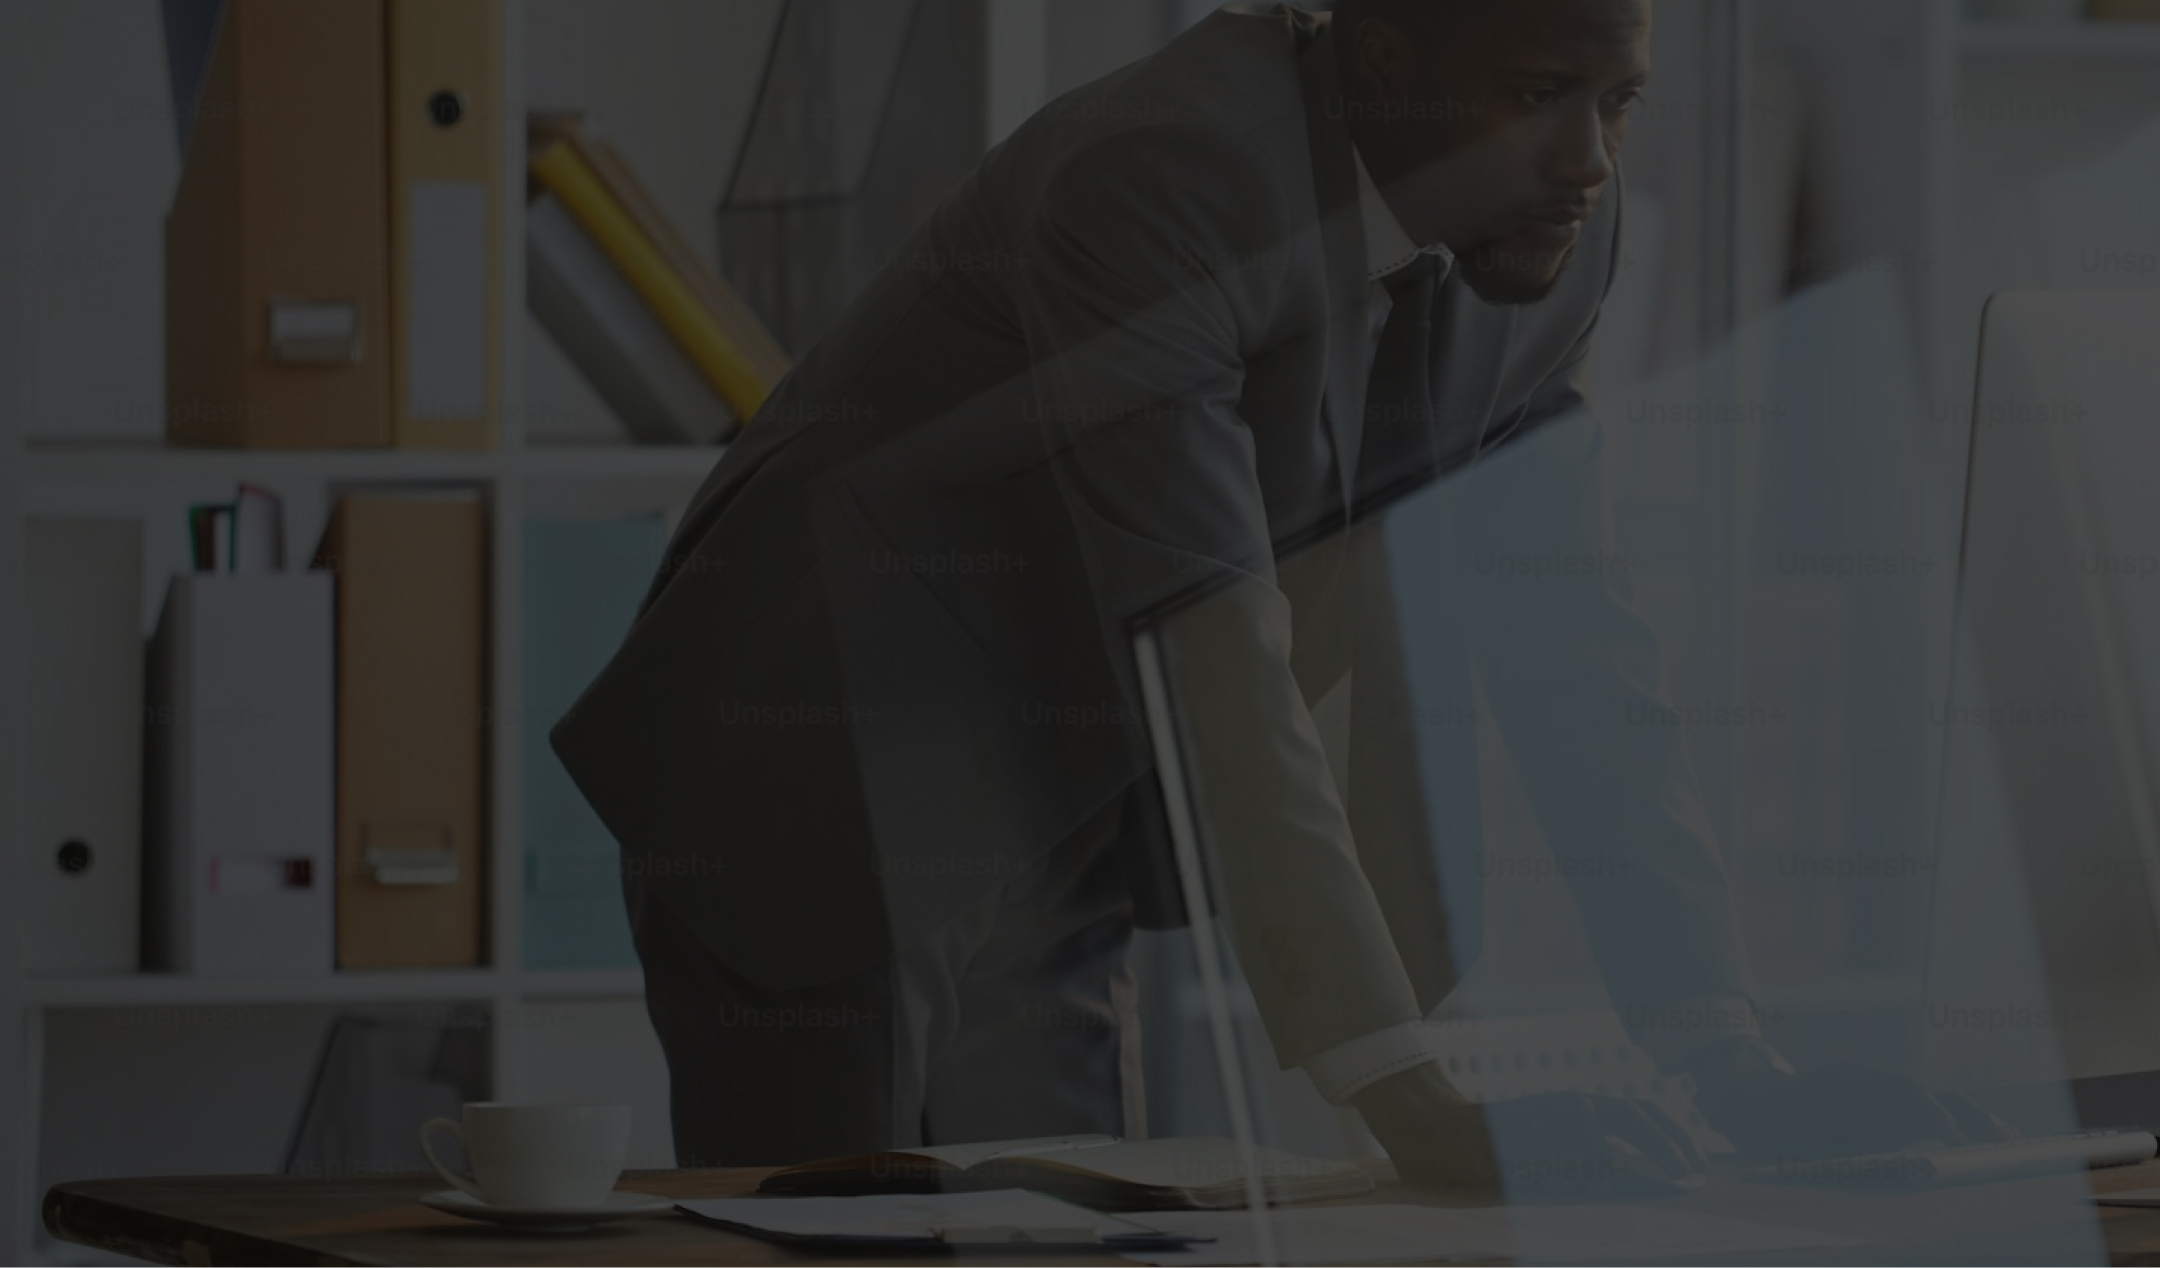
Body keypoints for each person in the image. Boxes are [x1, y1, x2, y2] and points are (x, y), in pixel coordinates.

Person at [553, 0, 1998, 1189]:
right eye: (1544, 92)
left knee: (1068, 1217)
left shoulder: (1561, 235)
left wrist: (1723, 1052)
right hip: (812, 746)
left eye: (1620, 102)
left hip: (1062, 777)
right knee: (848, 1222)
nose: (1593, 160)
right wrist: (1410, 1100)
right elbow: (1221, 646)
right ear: (1383, 53)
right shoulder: (1167, 177)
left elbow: (1581, 650)